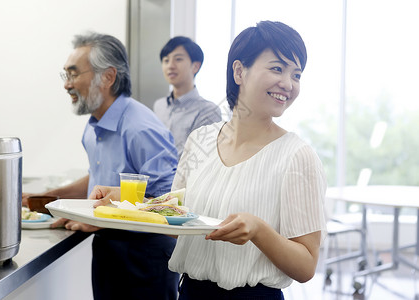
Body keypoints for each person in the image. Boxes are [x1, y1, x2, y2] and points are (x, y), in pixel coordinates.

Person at [90, 20, 327, 299]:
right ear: (239, 71)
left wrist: (259, 230)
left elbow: (306, 265)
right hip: (191, 292)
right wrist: (127, 200)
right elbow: (178, 219)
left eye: (296, 75)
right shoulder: (200, 140)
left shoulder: (297, 156)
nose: (288, 84)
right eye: (277, 68)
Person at [24, 32, 180, 300]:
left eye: (73, 74)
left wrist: (106, 217)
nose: (67, 85)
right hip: (108, 249)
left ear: (108, 77)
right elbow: (97, 177)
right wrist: (50, 198)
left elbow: (170, 200)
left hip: (146, 257)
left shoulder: (139, 128)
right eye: (66, 75)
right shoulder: (95, 124)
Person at [153, 36, 222, 158]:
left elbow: (199, 158)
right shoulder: (159, 105)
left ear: (195, 66)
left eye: (178, 59)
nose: (170, 66)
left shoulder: (209, 111)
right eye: (166, 60)